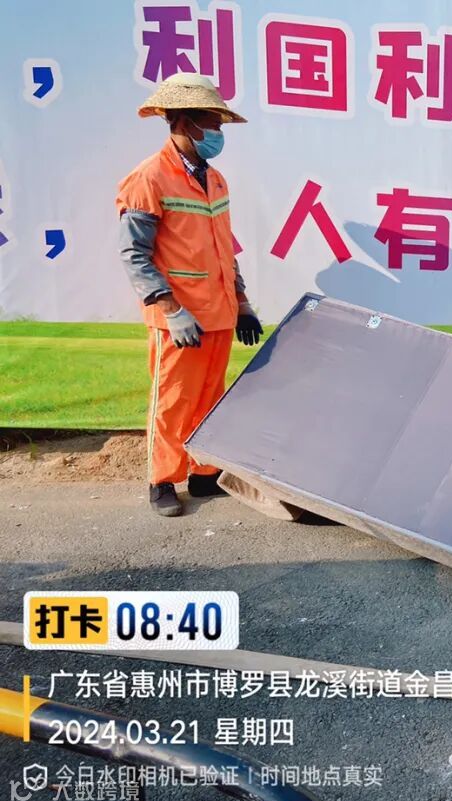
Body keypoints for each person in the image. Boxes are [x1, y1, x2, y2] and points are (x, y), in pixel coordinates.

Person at [117, 72, 262, 517]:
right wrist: (170, 308)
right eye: (210, 123)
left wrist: (241, 302)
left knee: (210, 398)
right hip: (179, 317)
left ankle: (202, 472)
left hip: (218, 312)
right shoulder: (149, 178)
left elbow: (224, 247)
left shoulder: (215, 180)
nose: (217, 132)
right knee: (173, 400)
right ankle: (162, 480)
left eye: (219, 124)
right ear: (181, 121)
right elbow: (134, 254)